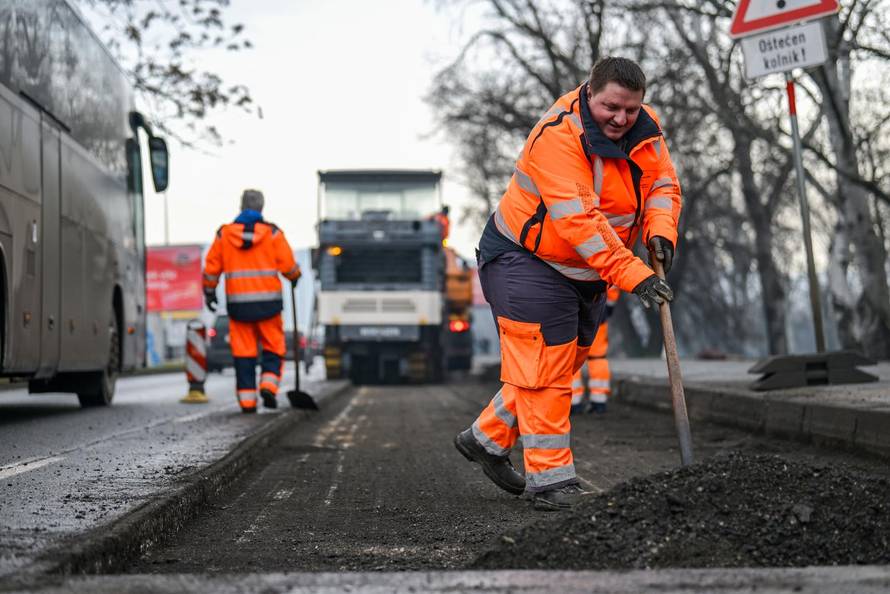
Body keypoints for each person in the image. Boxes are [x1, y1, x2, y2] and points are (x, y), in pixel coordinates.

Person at [453, 57, 680, 511]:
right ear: (589, 92)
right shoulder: (557, 136)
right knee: (545, 368)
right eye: (611, 107)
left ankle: (486, 439)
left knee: (559, 363)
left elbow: (662, 185)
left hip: (586, 270)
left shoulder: (647, 130)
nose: (621, 118)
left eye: (631, 109)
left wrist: (660, 230)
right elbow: (582, 224)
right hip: (525, 259)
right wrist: (635, 276)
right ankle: (551, 483)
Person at [202, 189, 301, 413]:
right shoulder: (273, 234)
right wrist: (295, 276)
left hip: (239, 307)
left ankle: (247, 402)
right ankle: (268, 386)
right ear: (262, 208)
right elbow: (289, 267)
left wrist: (209, 292)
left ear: (241, 206)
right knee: (273, 347)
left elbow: (211, 269)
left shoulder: (224, 235)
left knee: (243, 352)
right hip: (269, 306)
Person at [571, 285, 621, 415]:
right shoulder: (602, 268)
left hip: (572, 313)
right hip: (598, 312)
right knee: (598, 357)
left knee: (570, 357)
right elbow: (613, 284)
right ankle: (599, 401)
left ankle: (573, 401)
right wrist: (608, 307)